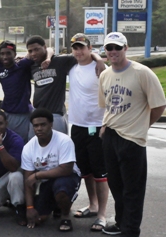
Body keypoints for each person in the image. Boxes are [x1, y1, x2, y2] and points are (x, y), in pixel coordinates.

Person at [98, 32, 166, 236]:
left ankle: (130, 229)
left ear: (125, 48)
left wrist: (143, 126)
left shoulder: (142, 73)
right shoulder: (105, 75)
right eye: (109, 48)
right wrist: (104, 127)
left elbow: (159, 105)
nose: (113, 52)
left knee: (133, 189)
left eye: (117, 47)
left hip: (132, 139)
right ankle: (120, 222)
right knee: (115, 184)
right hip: (110, 135)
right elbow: (107, 105)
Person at [67, 33, 109, 231]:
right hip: (77, 127)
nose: (79, 51)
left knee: (100, 173)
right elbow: (50, 52)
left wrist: (106, 124)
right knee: (86, 172)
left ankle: (102, 214)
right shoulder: (72, 68)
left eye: (82, 47)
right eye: (75, 47)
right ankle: (92, 205)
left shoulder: (100, 69)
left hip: (97, 127)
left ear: (90, 48)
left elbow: (110, 98)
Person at [26, 35, 104, 136]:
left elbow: (84, 55)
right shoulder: (31, 65)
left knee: (59, 149)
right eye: (30, 51)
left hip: (56, 115)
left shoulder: (60, 61)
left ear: (44, 47)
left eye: (36, 49)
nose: (33, 53)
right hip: (37, 115)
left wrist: (99, 60)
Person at [22, 108, 81, 232]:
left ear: (51, 124)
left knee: (61, 190)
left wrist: (37, 175)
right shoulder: (28, 148)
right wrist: (30, 207)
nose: (39, 128)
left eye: (43, 124)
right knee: (38, 219)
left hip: (67, 177)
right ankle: (55, 205)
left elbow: (66, 169)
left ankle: (65, 216)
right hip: (46, 182)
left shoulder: (64, 140)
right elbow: (28, 181)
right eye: (36, 125)